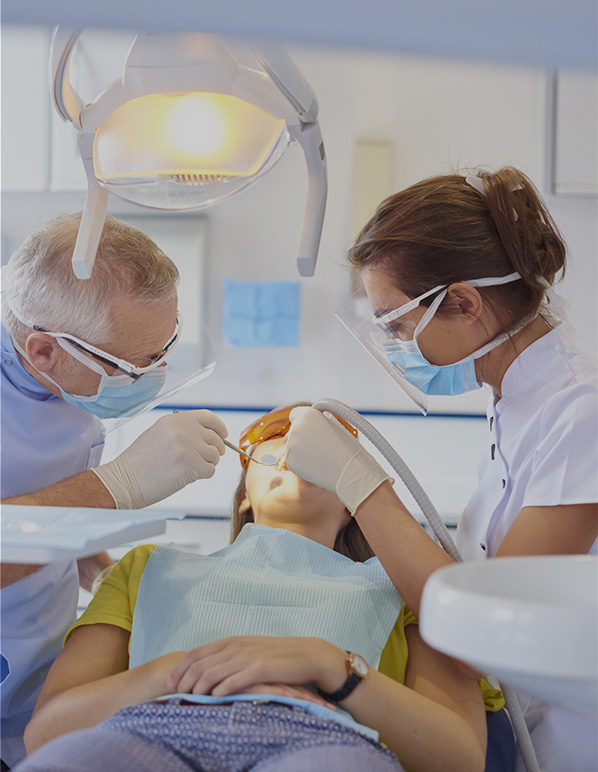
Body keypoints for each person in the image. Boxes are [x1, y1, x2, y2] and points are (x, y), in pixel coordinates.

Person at [284, 167, 598, 772]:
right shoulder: (513, 402)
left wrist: (360, 483)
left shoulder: (582, 412)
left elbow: (487, 632)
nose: (396, 345)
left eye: (397, 324)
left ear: (463, 302)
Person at [14, 405, 507, 772]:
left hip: (322, 740)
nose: (294, 446)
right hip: (151, 730)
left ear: (352, 502)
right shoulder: (146, 569)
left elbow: (459, 758)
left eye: (327, 450)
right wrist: (178, 671)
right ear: (244, 496)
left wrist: (329, 665)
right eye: (276, 436)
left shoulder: (407, 589)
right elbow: (45, 735)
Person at [0, 213, 228, 769]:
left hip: (34, 683)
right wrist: (117, 484)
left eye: (165, 348)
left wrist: (105, 577)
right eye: (134, 365)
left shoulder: (69, 381)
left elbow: (50, 504)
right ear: (43, 350)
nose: (155, 373)